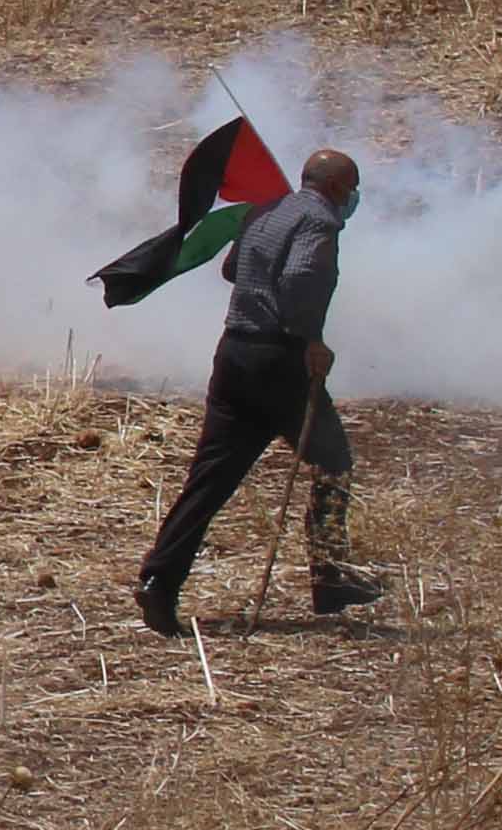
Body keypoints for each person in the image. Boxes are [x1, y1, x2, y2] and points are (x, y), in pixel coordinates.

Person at [137, 147, 380, 630]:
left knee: (209, 479)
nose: (352, 197)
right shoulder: (319, 221)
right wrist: (311, 338)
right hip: (279, 361)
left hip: (234, 354)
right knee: (333, 462)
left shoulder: (268, 210)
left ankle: (159, 581)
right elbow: (299, 277)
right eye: (351, 187)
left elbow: (232, 270)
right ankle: (329, 577)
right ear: (335, 187)